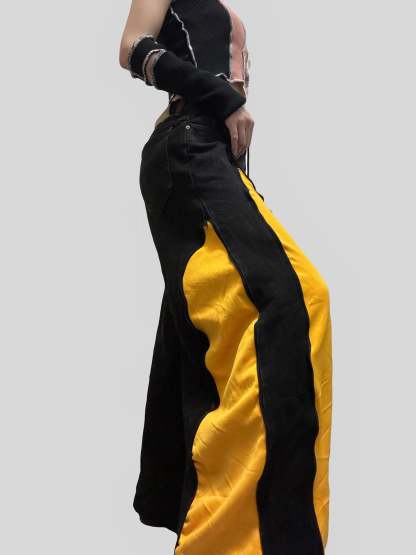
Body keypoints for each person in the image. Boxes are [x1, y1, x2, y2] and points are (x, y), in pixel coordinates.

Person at [119, 1, 333, 554]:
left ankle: (199, 512)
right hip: (189, 143)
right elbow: (133, 47)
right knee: (294, 298)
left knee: (202, 335)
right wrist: (225, 97)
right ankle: (244, 537)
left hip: (212, 155)